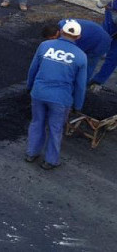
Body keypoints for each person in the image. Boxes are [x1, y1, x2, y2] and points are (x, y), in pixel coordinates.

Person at [26, 19, 87, 170]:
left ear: (61, 32)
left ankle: (31, 153)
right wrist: (77, 105)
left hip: (39, 93)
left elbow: (33, 69)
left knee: (37, 122)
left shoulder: (45, 46)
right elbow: (80, 86)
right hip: (60, 99)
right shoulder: (81, 56)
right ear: (78, 37)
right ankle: (50, 160)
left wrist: (30, 87)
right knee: (55, 128)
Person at [42, 19, 111, 84]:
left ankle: (82, 86)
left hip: (100, 41)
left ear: (58, 32)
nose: (52, 41)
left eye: (52, 38)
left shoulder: (67, 35)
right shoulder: (61, 24)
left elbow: (70, 52)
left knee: (86, 66)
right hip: (91, 34)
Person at [88, 0, 117, 92]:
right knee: (96, 48)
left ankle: (98, 80)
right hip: (108, 27)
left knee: (112, 57)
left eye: (106, 6)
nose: (105, 8)